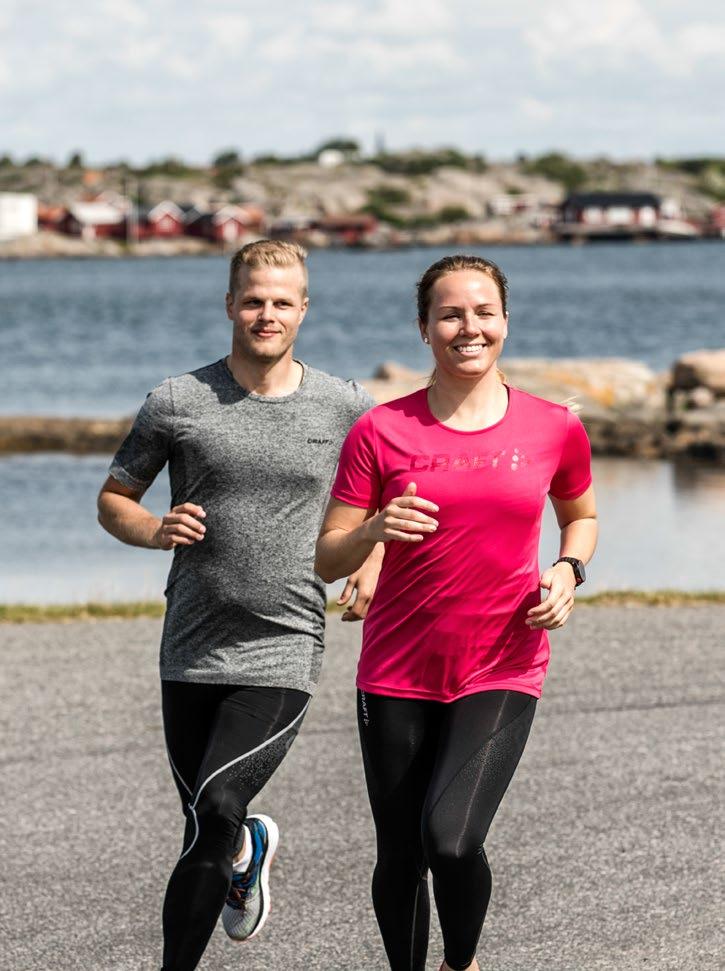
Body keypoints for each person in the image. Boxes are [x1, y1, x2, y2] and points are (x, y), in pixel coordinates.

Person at [97, 240, 379, 971]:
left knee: (217, 800)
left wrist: (372, 557)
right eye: (253, 299)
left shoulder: (344, 404)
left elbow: (379, 494)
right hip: (191, 642)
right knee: (206, 822)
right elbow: (114, 498)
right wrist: (155, 529)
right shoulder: (177, 401)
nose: (266, 313)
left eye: (282, 301)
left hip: (284, 641)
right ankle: (246, 853)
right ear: (229, 304)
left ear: (304, 309)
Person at [315, 254, 598, 971]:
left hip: (503, 661)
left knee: (450, 839)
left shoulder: (553, 425)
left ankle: (460, 964)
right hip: (396, 671)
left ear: (503, 321)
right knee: (401, 852)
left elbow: (581, 515)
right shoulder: (380, 430)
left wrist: (567, 568)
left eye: (481, 312)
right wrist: (374, 531)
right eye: (449, 313)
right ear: (423, 328)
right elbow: (326, 558)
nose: (467, 327)